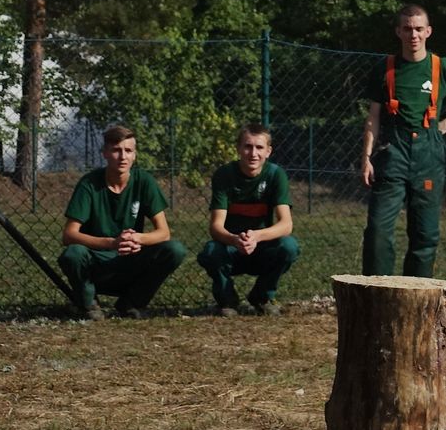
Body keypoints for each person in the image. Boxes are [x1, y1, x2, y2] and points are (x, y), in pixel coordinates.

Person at [360, 4, 446, 277]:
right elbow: (373, 118)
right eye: (407, 28)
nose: (413, 35)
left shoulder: (442, 68)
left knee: (425, 234)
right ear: (398, 32)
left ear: (428, 31)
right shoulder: (385, 68)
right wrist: (366, 158)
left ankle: (417, 299)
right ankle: (376, 293)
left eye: (418, 29)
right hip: (392, 151)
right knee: (378, 230)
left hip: (428, 153)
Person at [59, 123, 188, 320]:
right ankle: (89, 302)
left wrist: (137, 239)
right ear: (105, 153)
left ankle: (132, 302)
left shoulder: (144, 181)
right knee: (73, 254)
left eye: (128, 150)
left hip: (130, 260)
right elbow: (69, 235)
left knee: (175, 250)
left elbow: (163, 232)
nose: (123, 156)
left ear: (135, 155)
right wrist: (112, 242)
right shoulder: (89, 184)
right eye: (116, 150)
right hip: (97, 262)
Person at [197, 123, 300, 316]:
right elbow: (216, 226)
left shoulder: (276, 175)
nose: (253, 153)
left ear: (268, 151)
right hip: (232, 247)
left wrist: (257, 236)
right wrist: (235, 240)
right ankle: (227, 301)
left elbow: (286, 224)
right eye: (247, 146)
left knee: (289, 246)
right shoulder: (224, 175)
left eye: (259, 147)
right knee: (211, 251)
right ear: (238, 148)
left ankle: (262, 297)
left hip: (262, 247)